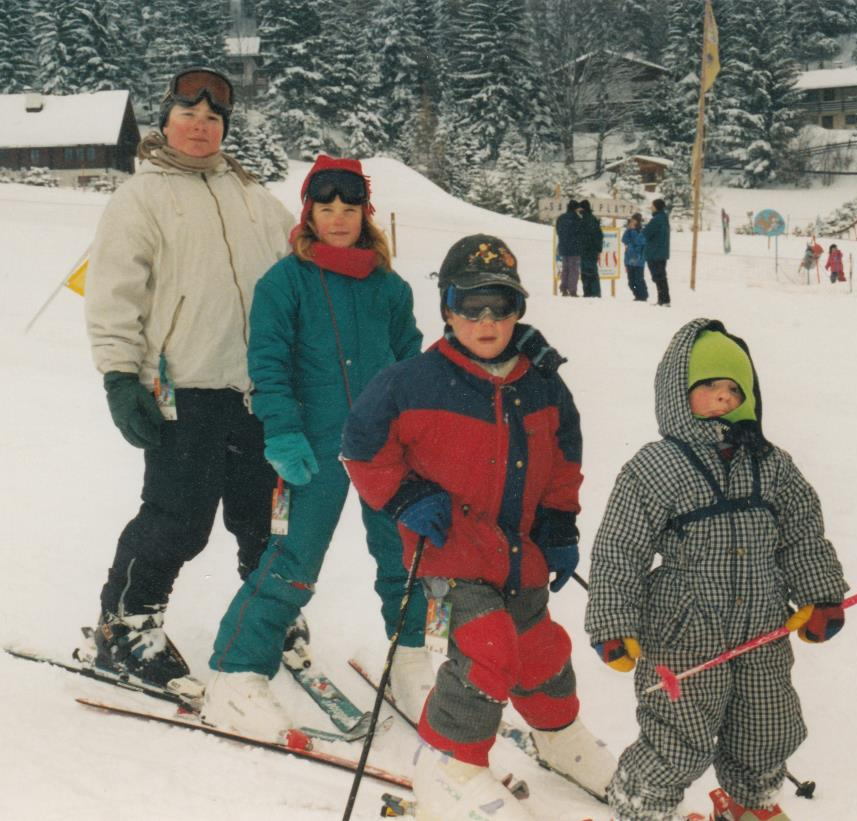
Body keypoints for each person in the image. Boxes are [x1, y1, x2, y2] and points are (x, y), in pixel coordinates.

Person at [342, 235, 617, 820]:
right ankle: (451, 763)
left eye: (500, 304)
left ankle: (559, 735)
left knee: (539, 648)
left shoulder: (543, 383)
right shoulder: (410, 382)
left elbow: (564, 461)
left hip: (519, 552)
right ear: (446, 308)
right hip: (448, 551)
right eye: (471, 305)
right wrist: (407, 497)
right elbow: (362, 450)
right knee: (486, 648)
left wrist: (559, 525)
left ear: (519, 309)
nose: (487, 320)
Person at [201, 155, 434, 740]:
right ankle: (235, 675)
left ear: (365, 214)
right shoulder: (285, 283)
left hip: (384, 449)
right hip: (312, 443)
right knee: (294, 562)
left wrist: (422, 441)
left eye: (349, 207)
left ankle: (408, 663)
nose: (337, 217)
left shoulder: (390, 288)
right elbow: (269, 365)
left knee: (403, 558)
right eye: (325, 206)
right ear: (308, 212)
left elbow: (411, 368)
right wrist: (280, 431)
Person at [83, 67, 295, 699]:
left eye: (213, 118)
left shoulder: (256, 198)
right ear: (165, 120)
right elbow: (114, 293)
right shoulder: (139, 199)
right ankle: (125, 627)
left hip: (257, 391)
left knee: (264, 518)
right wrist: (121, 377)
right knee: (178, 519)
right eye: (188, 115)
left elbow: (303, 266)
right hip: (183, 391)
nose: (200, 126)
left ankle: (266, 613)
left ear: (225, 128)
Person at [585, 318, 849, 821]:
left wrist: (821, 595)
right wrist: (612, 623)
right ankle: (642, 806)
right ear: (678, 392)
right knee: (677, 734)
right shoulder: (656, 466)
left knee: (768, 725)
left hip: (764, 626)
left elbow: (800, 533)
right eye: (709, 388)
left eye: (735, 389)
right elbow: (621, 548)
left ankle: (750, 803)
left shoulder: (771, 463)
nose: (724, 398)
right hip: (685, 632)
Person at [642, 197, 671, 306]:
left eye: (652, 206)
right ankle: (663, 300)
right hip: (661, 252)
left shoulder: (657, 219)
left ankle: (664, 300)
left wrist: (644, 227)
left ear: (656, 207)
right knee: (661, 276)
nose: (651, 207)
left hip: (655, 253)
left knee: (658, 277)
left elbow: (646, 233)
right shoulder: (664, 218)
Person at [556, 199, 583, 296]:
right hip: (575, 248)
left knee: (565, 268)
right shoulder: (577, 219)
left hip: (563, 246)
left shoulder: (561, 218)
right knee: (574, 269)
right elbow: (580, 233)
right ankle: (572, 290)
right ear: (576, 208)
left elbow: (558, 231)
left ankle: (563, 288)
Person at [579, 199, 604, 298]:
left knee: (587, 272)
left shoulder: (585, 220)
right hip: (592, 250)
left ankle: (590, 292)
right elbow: (599, 235)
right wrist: (598, 249)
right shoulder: (592, 219)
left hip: (587, 250)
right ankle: (593, 292)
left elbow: (584, 237)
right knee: (591, 272)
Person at [622, 213, 649, 301]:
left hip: (638, 260)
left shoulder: (642, 232)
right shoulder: (629, 231)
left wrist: (633, 231)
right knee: (631, 282)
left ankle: (643, 296)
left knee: (639, 280)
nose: (632, 222)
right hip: (628, 259)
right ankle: (637, 295)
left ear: (638, 222)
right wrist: (628, 229)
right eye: (631, 220)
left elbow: (638, 242)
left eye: (634, 220)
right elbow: (624, 240)